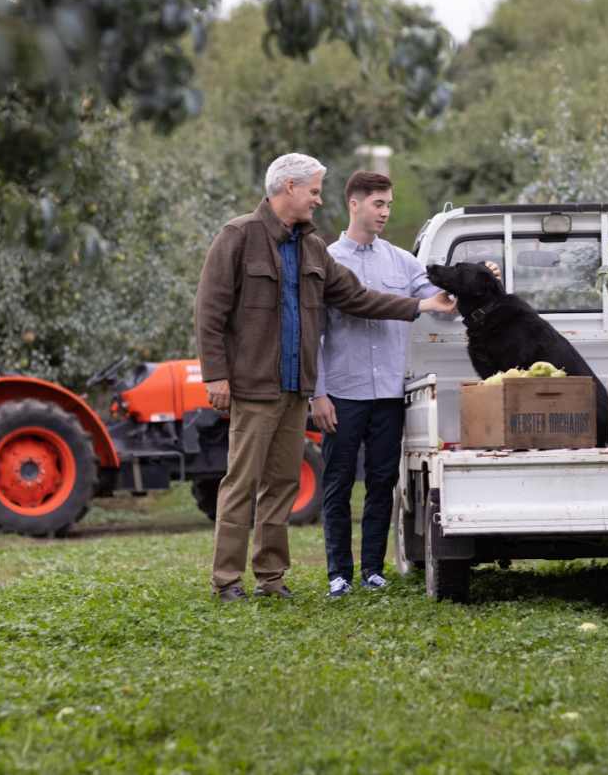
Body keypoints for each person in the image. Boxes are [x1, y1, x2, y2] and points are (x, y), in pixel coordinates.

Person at [195, 154, 456, 603]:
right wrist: (216, 375)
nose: (319, 199)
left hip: (297, 389)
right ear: (289, 188)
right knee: (241, 483)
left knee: (282, 485)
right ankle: (226, 582)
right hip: (254, 388)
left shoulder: (313, 249)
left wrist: (420, 305)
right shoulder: (238, 236)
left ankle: (270, 579)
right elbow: (209, 312)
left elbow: (356, 297)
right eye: (314, 190)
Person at [311, 171, 498, 598]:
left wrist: (478, 276)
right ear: (354, 204)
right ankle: (338, 574)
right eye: (378, 204)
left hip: (389, 395)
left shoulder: (401, 261)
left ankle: (372, 571)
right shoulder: (325, 260)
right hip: (342, 392)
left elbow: (442, 304)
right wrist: (317, 393)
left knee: (381, 484)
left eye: (389, 205)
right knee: (338, 484)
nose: (385, 212)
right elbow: (315, 333)